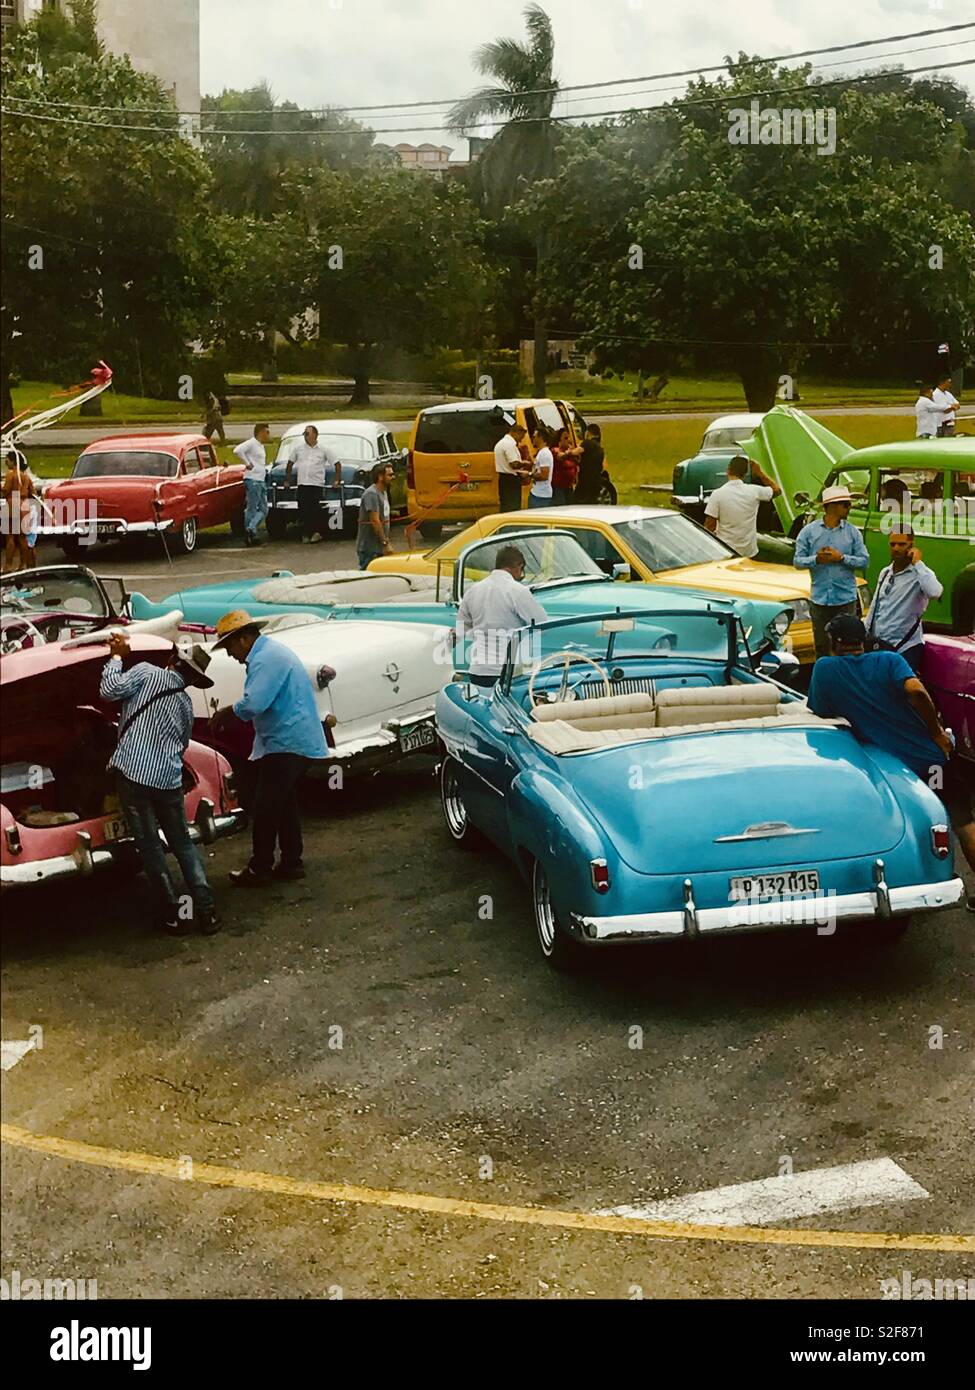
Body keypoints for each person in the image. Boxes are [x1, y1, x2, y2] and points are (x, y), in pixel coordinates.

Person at [808, 614, 975, 908]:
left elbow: (821, 714)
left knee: (901, 825)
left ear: (834, 642)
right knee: (963, 821)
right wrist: (936, 732)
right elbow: (914, 690)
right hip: (931, 762)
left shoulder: (826, 670)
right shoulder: (888, 660)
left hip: (891, 770)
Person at [99, 632, 218, 935]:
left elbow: (108, 691)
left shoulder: (145, 672)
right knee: (183, 844)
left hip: (134, 774)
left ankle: (174, 915)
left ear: (173, 659)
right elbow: (182, 741)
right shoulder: (186, 704)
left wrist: (116, 656)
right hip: (168, 779)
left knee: (151, 847)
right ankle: (207, 912)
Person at [209, 610, 329, 887]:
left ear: (243, 640)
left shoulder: (265, 659)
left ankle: (259, 867)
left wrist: (227, 713)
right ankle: (291, 862)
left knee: (265, 808)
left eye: (229, 647)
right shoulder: (270, 653)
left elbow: (255, 703)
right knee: (284, 804)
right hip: (291, 740)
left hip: (288, 742)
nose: (230, 655)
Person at [793, 484, 870, 659]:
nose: (849, 508)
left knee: (847, 645)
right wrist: (817, 559)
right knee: (821, 645)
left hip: (845, 598)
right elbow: (797, 561)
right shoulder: (809, 532)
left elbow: (865, 561)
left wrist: (841, 558)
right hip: (820, 598)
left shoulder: (852, 533)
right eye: (845, 504)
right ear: (832, 506)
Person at [455, 544, 547, 688]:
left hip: (478, 670)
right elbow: (541, 623)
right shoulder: (517, 591)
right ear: (518, 566)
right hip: (508, 672)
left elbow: (462, 629)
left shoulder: (473, 591)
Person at [865, 529, 943, 673]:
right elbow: (876, 605)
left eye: (901, 544)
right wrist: (865, 632)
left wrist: (918, 563)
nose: (896, 549)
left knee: (900, 692)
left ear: (911, 546)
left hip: (906, 647)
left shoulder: (920, 574)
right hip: (880, 645)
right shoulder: (885, 572)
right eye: (892, 544)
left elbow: (935, 592)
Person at [704, 455, 781, 558]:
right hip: (749, 552)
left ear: (728, 471)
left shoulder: (717, 494)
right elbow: (777, 490)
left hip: (726, 551)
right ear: (745, 474)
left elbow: (710, 526)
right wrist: (760, 473)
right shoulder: (754, 491)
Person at [284, 425, 342, 544]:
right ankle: (306, 532)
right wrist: (287, 480)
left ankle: (317, 532)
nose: (305, 437)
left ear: (314, 435)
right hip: (303, 483)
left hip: (316, 483)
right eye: (304, 434)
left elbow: (336, 464)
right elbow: (290, 463)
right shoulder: (299, 449)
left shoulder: (323, 449)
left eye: (307, 434)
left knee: (315, 509)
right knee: (303, 509)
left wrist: (337, 480)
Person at [233, 422, 271, 547]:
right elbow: (237, 450)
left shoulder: (261, 446)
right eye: (267, 432)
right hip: (253, 479)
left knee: (264, 508)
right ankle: (250, 533)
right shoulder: (252, 443)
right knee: (252, 508)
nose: (268, 435)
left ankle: (251, 527)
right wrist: (247, 463)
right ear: (261, 432)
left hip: (260, 479)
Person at [2, 454, 39, 574]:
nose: (6, 462)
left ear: (13, 461)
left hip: (12, 503)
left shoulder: (10, 474)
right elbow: (33, 493)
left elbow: (6, 490)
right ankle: (23, 564)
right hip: (24, 505)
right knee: (23, 537)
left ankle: (8, 565)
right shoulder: (26, 477)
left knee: (10, 537)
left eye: (7, 460)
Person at [357, 462, 394, 570]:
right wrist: (385, 543)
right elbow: (375, 521)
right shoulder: (371, 494)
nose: (393, 477)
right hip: (370, 549)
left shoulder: (384, 492)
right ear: (380, 476)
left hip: (378, 548)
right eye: (390, 475)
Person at [494, 422, 531, 512]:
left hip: (504, 479)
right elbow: (514, 464)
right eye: (521, 436)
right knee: (512, 507)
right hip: (510, 480)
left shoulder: (502, 443)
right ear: (516, 433)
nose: (521, 440)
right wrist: (525, 463)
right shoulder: (509, 444)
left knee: (506, 506)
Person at [573, 424, 605, 505]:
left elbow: (576, 452)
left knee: (577, 502)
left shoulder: (587, 443)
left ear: (588, 432)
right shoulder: (599, 447)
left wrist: (566, 453)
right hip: (596, 480)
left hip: (586, 481)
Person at [550, 426, 578, 505]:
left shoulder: (570, 451)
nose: (568, 440)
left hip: (569, 486)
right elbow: (560, 456)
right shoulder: (555, 450)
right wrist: (570, 453)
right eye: (565, 438)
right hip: (558, 488)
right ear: (559, 441)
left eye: (569, 438)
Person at [528, 427, 554, 509]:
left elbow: (544, 475)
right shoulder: (541, 453)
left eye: (534, 437)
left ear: (541, 438)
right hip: (537, 493)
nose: (533, 439)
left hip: (541, 496)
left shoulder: (544, 454)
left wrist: (529, 474)